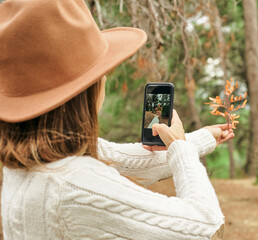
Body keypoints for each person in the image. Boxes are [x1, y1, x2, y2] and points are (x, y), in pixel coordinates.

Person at [0, 0, 234, 239]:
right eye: (101, 73)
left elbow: (126, 160)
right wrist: (180, 148)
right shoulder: (73, 184)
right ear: (84, 92)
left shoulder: (26, 159)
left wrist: (202, 139)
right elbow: (205, 226)